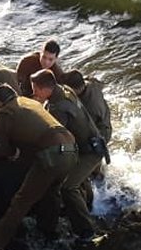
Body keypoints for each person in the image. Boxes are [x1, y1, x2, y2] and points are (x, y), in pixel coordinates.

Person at [0, 84, 77, 250]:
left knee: (22, 200)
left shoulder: (3, 113)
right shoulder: (29, 102)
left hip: (52, 154)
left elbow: (4, 150)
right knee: (52, 192)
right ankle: (49, 232)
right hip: (71, 150)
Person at [30, 69, 105, 236]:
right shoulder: (64, 90)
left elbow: (55, 137)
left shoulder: (59, 108)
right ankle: (89, 208)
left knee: (68, 187)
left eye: (35, 89)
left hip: (90, 151)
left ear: (45, 89)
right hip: (90, 144)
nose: (33, 93)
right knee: (78, 179)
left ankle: (86, 231)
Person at [65, 69, 112, 144]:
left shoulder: (90, 107)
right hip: (104, 115)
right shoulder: (91, 83)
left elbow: (86, 126)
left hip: (101, 132)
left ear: (74, 89)